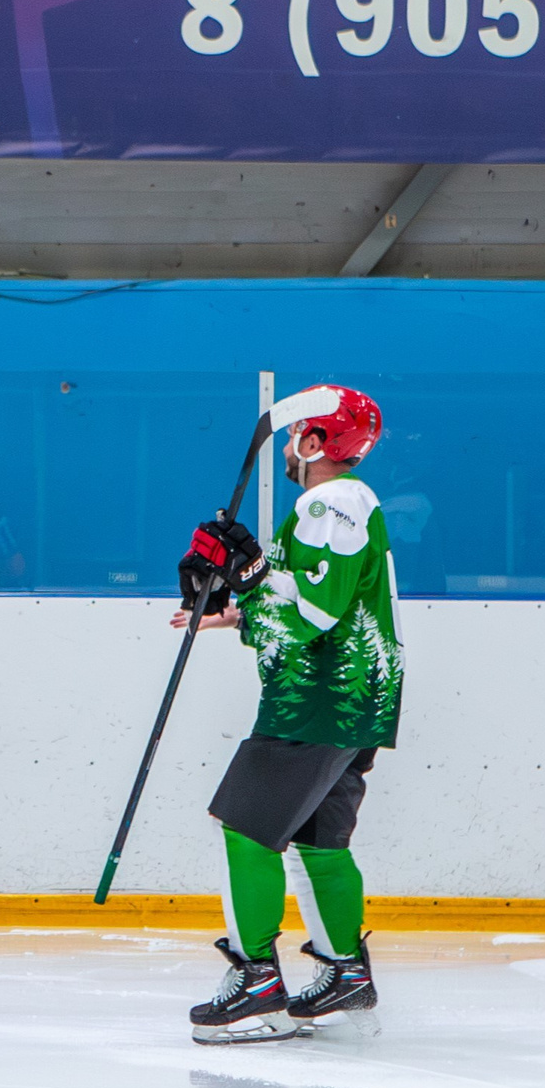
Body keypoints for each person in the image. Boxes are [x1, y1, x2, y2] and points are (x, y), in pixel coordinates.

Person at [172, 386, 401, 1044]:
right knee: (315, 839)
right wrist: (233, 608)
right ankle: (344, 969)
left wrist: (246, 574)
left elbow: (315, 613)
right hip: (351, 698)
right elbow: (302, 595)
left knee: (244, 827)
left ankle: (257, 981)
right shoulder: (338, 506)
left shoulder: (331, 501)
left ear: (314, 441)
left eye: (302, 434)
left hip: (319, 697)